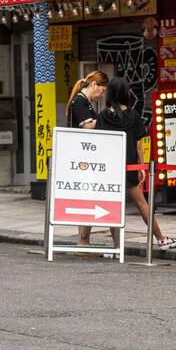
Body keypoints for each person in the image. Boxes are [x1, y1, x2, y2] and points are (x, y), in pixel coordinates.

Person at [94, 77, 176, 250]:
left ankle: (118, 246)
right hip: (129, 167)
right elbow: (139, 145)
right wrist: (142, 167)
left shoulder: (103, 116)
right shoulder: (133, 115)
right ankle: (161, 239)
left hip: (109, 168)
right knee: (142, 204)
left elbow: (99, 142)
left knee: (113, 206)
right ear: (126, 93)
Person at [67, 71, 108, 248]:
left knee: (89, 198)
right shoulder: (80, 102)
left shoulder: (83, 102)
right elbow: (88, 126)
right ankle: (83, 242)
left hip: (85, 157)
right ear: (94, 85)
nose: (102, 96)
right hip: (83, 159)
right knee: (87, 198)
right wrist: (108, 119)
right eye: (102, 91)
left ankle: (85, 242)